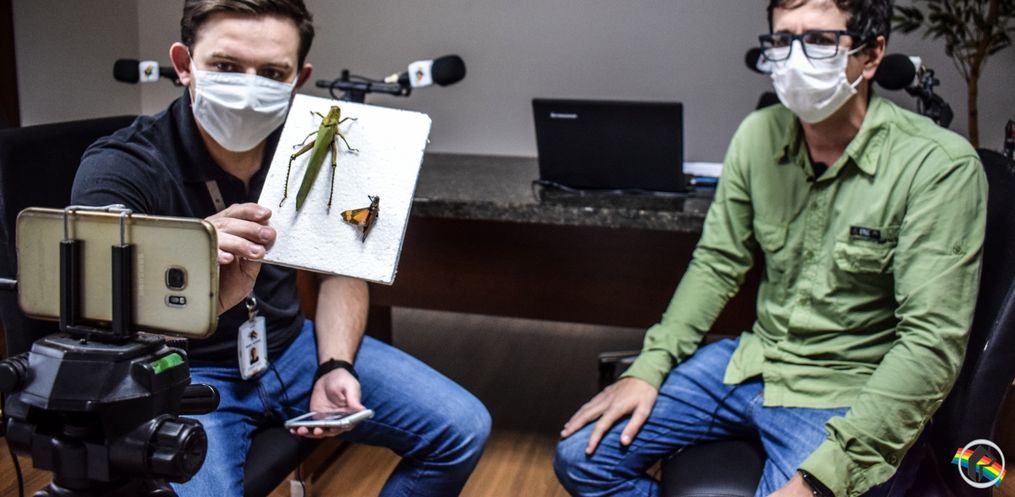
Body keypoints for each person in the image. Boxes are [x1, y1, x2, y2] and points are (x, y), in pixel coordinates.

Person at [554, 1, 987, 496]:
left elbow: (929, 344)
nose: (795, 58)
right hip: (756, 361)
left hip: (846, 389)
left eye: (819, 40)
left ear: (870, 56)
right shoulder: (757, 135)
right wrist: (649, 368)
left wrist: (821, 477)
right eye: (783, 40)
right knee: (581, 458)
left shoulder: (938, 165)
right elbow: (717, 263)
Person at [71, 1, 491, 495]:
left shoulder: (313, 145)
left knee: (461, 429)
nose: (249, 88)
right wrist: (188, 264)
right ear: (184, 65)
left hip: (292, 349)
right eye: (226, 66)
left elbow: (340, 270)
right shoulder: (122, 167)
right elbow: (96, 319)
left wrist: (335, 364)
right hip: (185, 373)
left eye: (271, 73)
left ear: (298, 79)